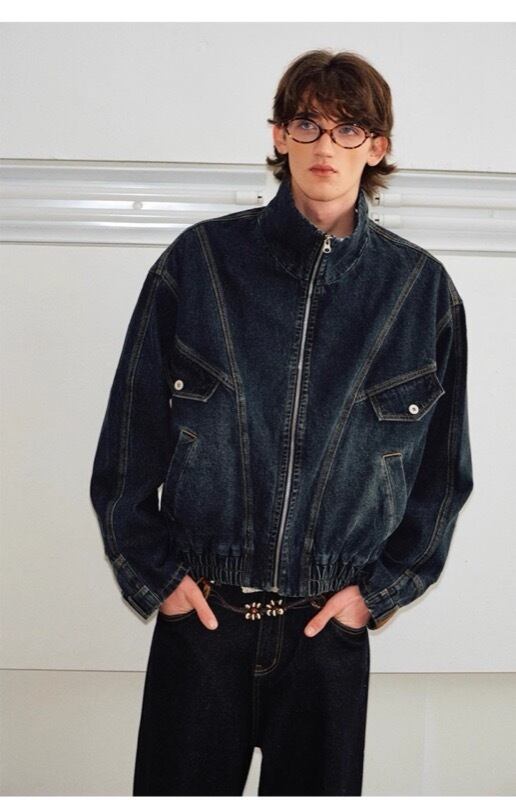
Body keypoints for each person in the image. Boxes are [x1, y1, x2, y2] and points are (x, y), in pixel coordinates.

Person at [89, 49, 474, 796]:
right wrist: (161, 578)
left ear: (377, 147)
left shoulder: (421, 292)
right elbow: (128, 443)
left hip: (326, 633)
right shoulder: (200, 263)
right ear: (278, 135)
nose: (326, 144)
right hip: (202, 622)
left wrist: (375, 595)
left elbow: (442, 476)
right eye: (307, 124)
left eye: (348, 128)